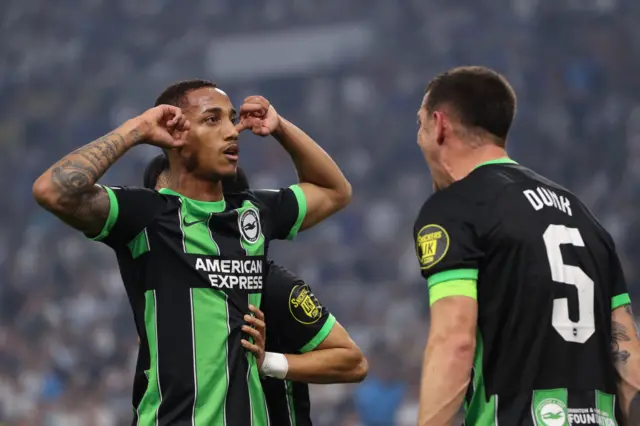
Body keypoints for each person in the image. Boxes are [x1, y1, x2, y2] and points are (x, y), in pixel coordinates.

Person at [32, 79, 352, 426]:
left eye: (231, 119)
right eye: (212, 120)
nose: (232, 132)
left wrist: (280, 128)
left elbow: (334, 190)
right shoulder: (148, 216)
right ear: (175, 133)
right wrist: (136, 129)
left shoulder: (253, 212)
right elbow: (53, 190)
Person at [412, 65, 638, 425]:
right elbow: (625, 349)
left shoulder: (455, 208)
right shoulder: (583, 215)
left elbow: (454, 341)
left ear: (439, 126)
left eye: (420, 125)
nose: (420, 138)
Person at [143, 157, 367, 426]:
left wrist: (267, 363)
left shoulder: (269, 284)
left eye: (176, 200)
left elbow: (353, 362)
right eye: (160, 202)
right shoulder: (164, 292)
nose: (168, 214)